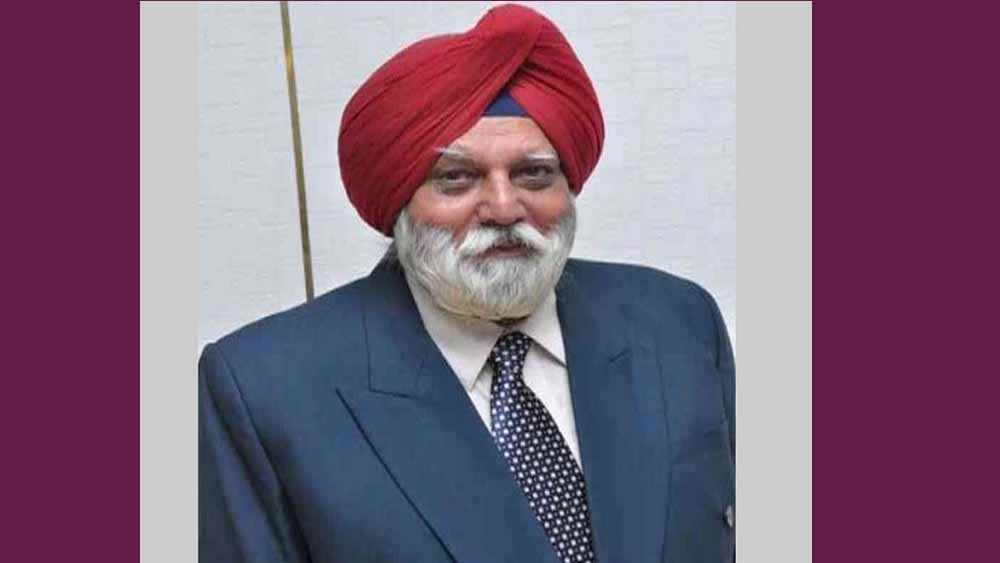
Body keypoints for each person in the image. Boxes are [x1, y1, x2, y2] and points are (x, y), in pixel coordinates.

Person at [199, 4, 735, 563]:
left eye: (534, 174)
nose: (503, 207)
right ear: (399, 200)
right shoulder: (264, 391)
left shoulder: (680, 323)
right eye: (455, 178)